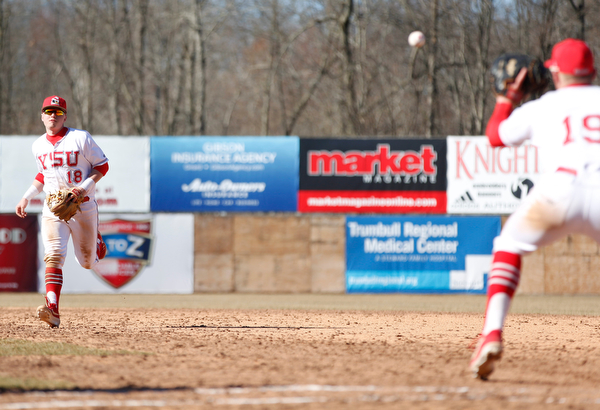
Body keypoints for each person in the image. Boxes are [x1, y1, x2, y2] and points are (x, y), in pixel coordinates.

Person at [469, 38, 600, 379]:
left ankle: (491, 334)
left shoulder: (544, 105)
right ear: (594, 72)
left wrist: (507, 98)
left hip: (559, 192)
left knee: (508, 245)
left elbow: (496, 136)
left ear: (554, 72)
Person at [15, 95, 109, 328]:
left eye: (57, 112)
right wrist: (26, 197)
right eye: (48, 111)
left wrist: (81, 189)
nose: (52, 116)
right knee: (54, 255)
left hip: (83, 205)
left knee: (87, 262)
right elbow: (42, 175)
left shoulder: (80, 138)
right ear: (41, 116)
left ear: (65, 115)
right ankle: (53, 309)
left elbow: (102, 165)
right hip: (53, 206)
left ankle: (96, 240)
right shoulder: (38, 145)